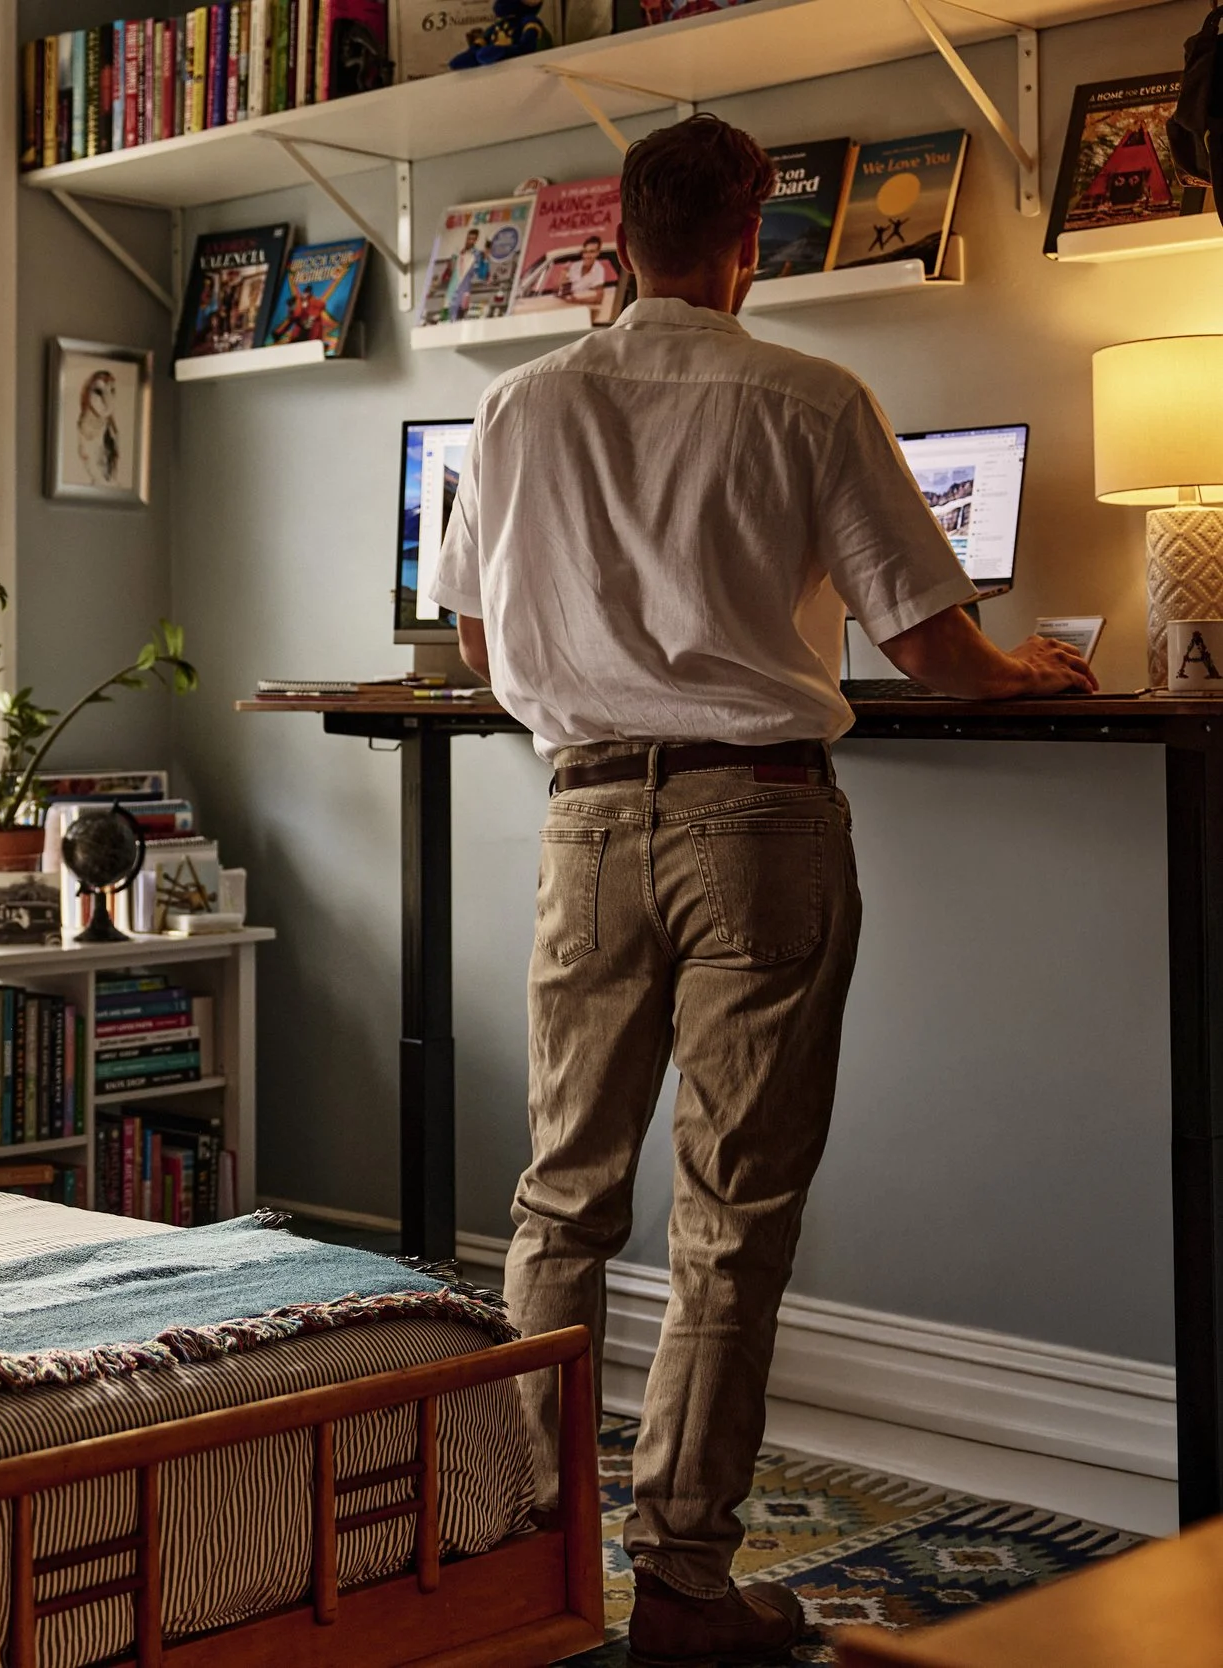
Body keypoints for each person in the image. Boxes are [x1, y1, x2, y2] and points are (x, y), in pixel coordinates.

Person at [425, 114, 1093, 1666]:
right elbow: (927, 639)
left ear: (620, 243)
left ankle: (529, 1547)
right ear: (751, 241)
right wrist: (1021, 669)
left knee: (561, 1194)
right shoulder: (809, 395)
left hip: (585, 820)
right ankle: (682, 1582)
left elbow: (475, 645)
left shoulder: (514, 407)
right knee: (730, 1215)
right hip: (759, 822)